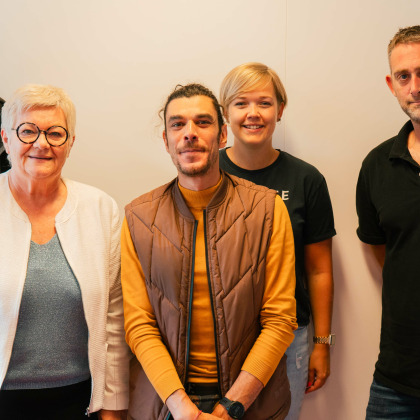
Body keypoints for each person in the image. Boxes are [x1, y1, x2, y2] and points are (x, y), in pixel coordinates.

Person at [121, 83, 297, 420]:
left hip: (250, 402)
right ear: (166, 141)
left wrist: (231, 408)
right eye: (178, 125)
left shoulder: (267, 209)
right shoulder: (137, 217)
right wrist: (183, 409)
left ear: (222, 136)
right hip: (165, 404)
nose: (189, 134)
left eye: (203, 122)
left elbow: (279, 320)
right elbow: (139, 325)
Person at [0, 84, 131, 419]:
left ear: (70, 143)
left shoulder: (100, 208)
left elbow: (115, 319)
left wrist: (113, 407)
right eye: (27, 131)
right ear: (6, 139)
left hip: (79, 400)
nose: (41, 144)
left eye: (55, 133)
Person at [219, 63, 336, 420]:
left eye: (264, 103)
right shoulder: (205, 174)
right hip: (223, 335)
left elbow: (318, 269)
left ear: (280, 110)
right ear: (225, 113)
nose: (253, 113)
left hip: (290, 338)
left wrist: (322, 344)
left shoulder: (306, 180)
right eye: (241, 103)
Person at [356, 25, 420, 419]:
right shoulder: (376, 165)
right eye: (404, 76)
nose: (415, 86)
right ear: (391, 84)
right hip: (397, 377)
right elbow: (383, 251)